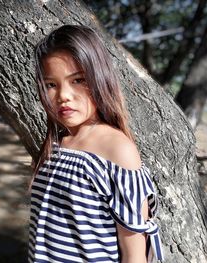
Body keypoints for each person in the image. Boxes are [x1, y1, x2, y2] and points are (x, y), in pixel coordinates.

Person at [29, 24, 164, 263]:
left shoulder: (117, 150)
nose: (63, 95)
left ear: (100, 77)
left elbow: (134, 252)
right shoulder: (58, 143)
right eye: (51, 85)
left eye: (78, 80)